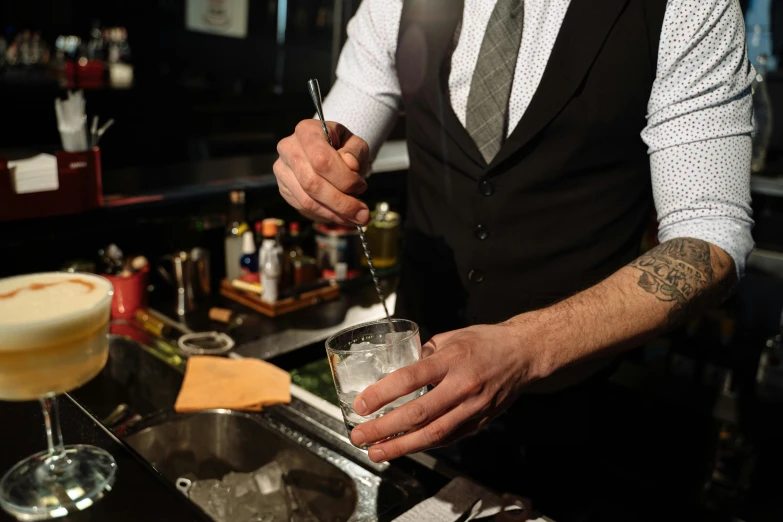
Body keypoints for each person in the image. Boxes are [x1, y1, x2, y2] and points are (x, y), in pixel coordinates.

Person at [274, 0, 754, 518]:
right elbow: (346, 122)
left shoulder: (687, 6)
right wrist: (316, 167)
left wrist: (525, 347)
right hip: (415, 389)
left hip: (572, 412)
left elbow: (711, 236)